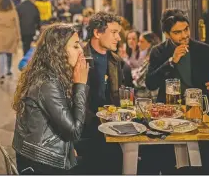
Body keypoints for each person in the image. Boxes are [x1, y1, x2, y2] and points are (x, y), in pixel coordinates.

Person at [144, 9, 209, 174]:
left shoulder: (205, 50)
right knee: (166, 163)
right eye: (177, 32)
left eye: (186, 29)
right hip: (168, 115)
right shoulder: (158, 51)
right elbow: (150, 84)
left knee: (200, 164)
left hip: (197, 113)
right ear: (167, 34)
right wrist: (171, 62)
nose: (184, 35)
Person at [12, 24, 89, 174]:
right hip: (42, 162)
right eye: (75, 46)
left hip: (41, 154)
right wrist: (80, 85)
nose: (81, 51)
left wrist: (69, 148)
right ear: (58, 51)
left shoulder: (52, 75)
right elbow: (74, 131)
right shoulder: (47, 83)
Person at [77, 12, 124, 175]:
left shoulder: (116, 60)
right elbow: (74, 100)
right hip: (87, 132)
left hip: (113, 129)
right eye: (114, 32)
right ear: (97, 33)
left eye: (119, 33)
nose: (118, 38)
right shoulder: (78, 58)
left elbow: (120, 95)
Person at [0, 0, 21, 84]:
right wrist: (18, 36)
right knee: (9, 53)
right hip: (11, 35)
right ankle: (8, 69)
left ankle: (1, 74)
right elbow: (17, 25)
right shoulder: (13, 12)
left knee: (1, 55)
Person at [131, 32, 161, 99]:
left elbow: (138, 81)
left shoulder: (150, 59)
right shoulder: (153, 56)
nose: (138, 44)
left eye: (141, 41)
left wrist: (133, 73)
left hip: (147, 98)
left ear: (150, 43)